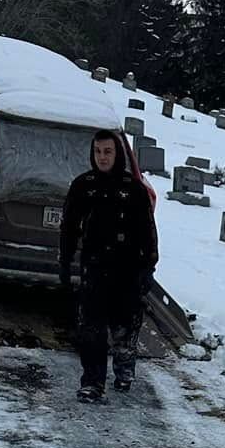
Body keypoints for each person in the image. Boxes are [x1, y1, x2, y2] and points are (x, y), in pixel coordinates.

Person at [59, 129, 159, 402]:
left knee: (123, 327)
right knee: (91, 329)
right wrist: (65, 263)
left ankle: (124, 367)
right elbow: (68, 227)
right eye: (97, 152)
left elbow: (148, 231)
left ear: (118, 154)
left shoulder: (133, 189)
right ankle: (92, 382)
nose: (102, 157)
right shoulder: (83, 186)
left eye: (108, 152)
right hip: (94, 267)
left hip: (127, 269)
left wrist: (148, 267)